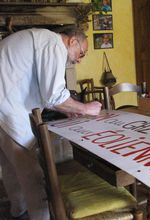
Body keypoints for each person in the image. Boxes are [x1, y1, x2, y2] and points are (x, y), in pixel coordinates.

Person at [0, 25, 102, 220]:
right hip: (5, 105)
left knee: (11, 166)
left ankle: (18, 213)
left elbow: (48, 95)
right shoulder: (54, 44)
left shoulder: (41, 39)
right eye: (82, 53)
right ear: (72, 41)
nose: (79, 60)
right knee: (32, 173)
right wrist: (85, 108)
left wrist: (68, 108)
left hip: (3, 102)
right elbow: (54, 95)